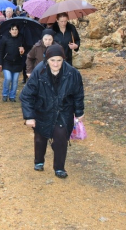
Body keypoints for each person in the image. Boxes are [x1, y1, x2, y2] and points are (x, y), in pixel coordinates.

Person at [20, 45, 85, 179]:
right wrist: (29, 116)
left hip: (63, 111)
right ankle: (39, 160)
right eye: (52, 60)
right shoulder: (39, 72)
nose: (55, 64)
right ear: (47, 60)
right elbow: (26, 95)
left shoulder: (73, 73)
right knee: (40, 138)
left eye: (59, 60)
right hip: (42, 109)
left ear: (63, 59)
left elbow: (78, 94)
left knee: (61, 137)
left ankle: (59, 167)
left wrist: (79, 112)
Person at [0, 24, 25, 102]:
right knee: (8, 78)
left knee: (15, 80)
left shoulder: (21, 39)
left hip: (17, 62)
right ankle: (5, 94)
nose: (15, 31)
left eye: (16, 29)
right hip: (7, 62)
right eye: (13, 29)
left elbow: (25, 52)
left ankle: (12, 96)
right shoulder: (5, 38)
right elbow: (1, 51)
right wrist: (0, 63)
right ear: (10, 31)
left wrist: (22, 51)